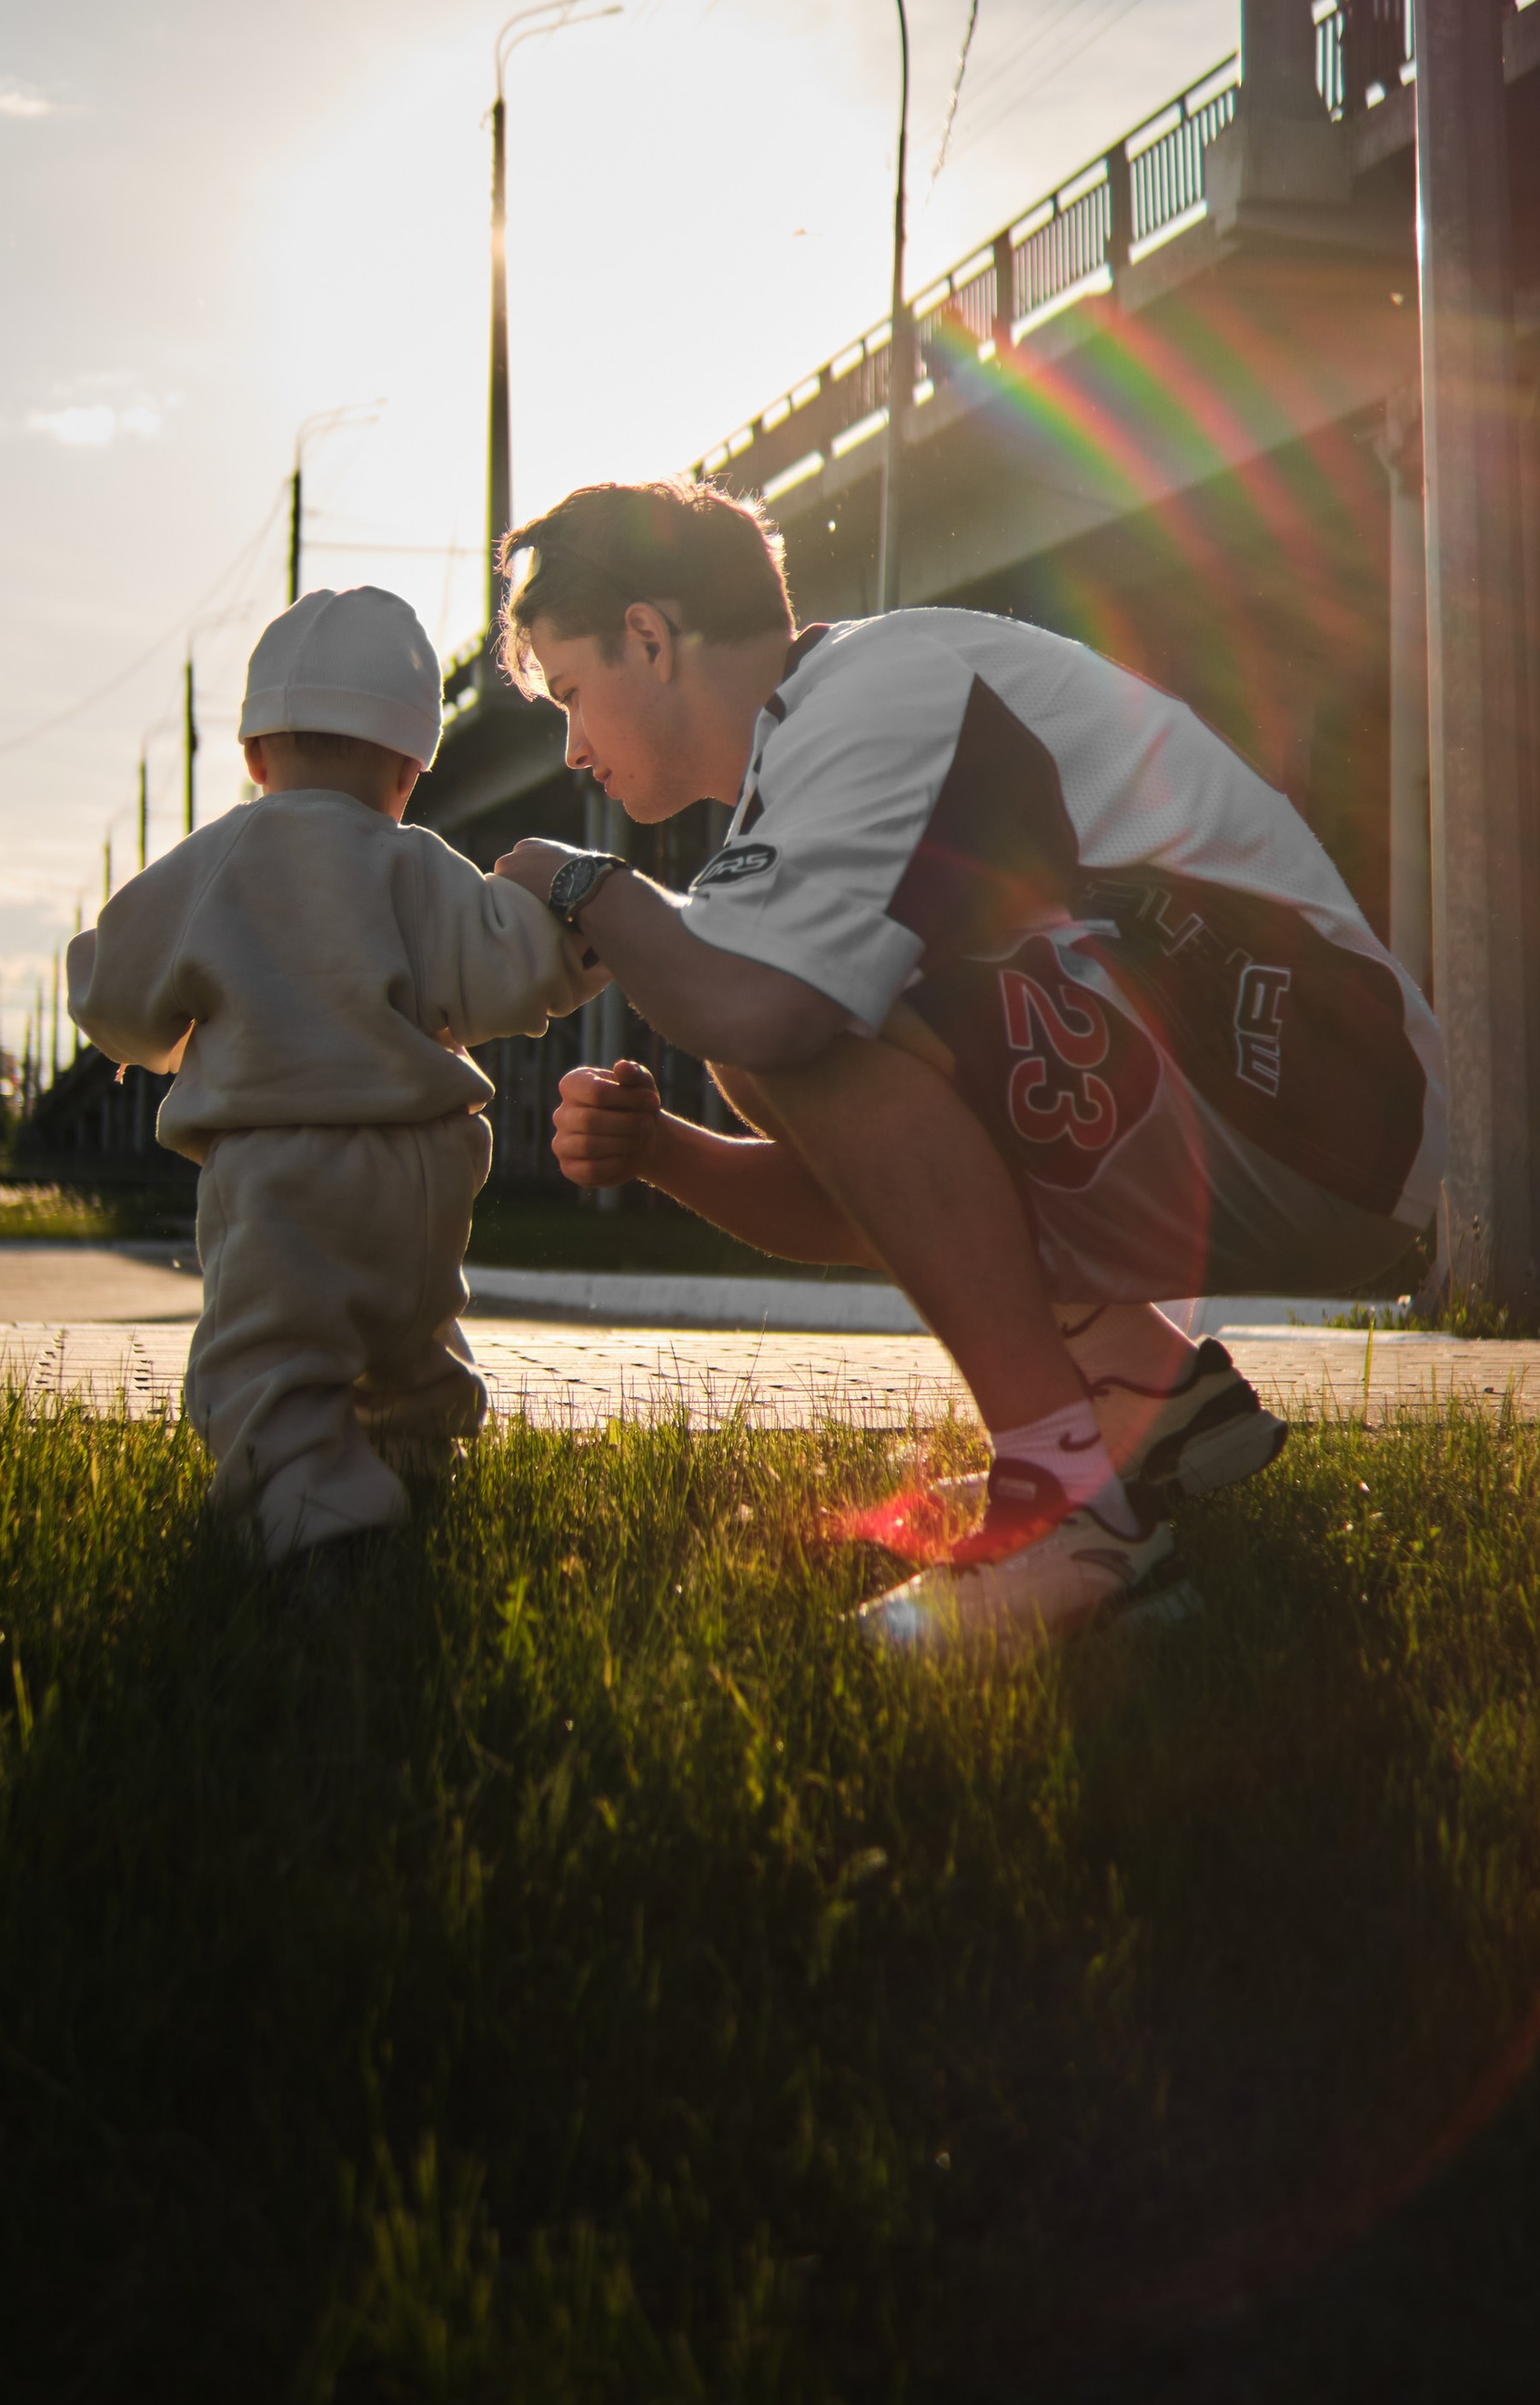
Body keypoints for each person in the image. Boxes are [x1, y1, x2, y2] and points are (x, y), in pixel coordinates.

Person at [489, 481, 1443, 1657]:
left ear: (649, 636)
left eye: (571, 694)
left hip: (1310, 1085)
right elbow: (920, 1203)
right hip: (1309, 1117)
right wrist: (666, 1154)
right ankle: (1144, 1396)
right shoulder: (818, 762)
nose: (573, 749)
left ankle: (1072, 1510)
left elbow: (765, 1015)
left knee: (770, 999)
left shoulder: (865, 695)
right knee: (775, 994)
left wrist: (584, 884)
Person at [68, 587, 603, 1566]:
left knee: (270, 1364)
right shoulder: (420, 866)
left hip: (281, 1172)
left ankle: (321, 1519)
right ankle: (417, 1456)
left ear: (254, 756)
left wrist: (98, 987)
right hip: (426, 1171)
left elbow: (117, 990)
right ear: (408, 771)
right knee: (411, 1336)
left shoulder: (218, 859)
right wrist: (574, 933)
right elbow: (509, 970)